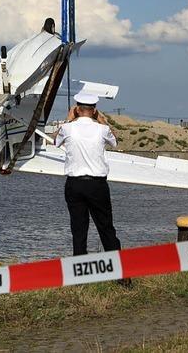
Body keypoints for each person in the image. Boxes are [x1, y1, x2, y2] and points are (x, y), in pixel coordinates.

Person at [55, 92, 121, 255]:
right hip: (97, 184)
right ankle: (121, 273)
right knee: (106, 227)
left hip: (74, 184)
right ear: (94, 110)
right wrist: (102, 120)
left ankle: (79, 274)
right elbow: (115, 141)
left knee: (78, 230)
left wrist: (69, 119)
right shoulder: (102, 130)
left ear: (77, 109)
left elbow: (55, 141)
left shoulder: (67, 128)